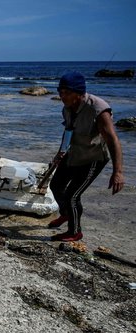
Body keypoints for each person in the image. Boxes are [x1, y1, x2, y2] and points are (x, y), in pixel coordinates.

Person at [48, 71, 124, 242]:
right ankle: (66, 214)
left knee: (72, 195)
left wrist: (118, 172)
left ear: (80, 93)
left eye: (67, 93)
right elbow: (68, 131)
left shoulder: (98, 109)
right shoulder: (67, 108)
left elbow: (113, 140)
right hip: (73, 153)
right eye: (60, 92)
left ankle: (75, 232)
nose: (62, 96)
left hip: (93, 158)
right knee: (56, 186)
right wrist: (59, 153)